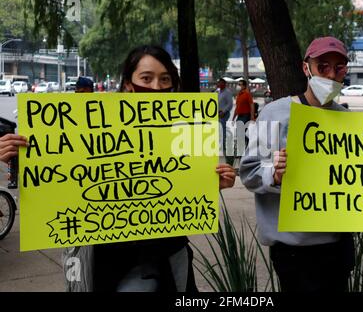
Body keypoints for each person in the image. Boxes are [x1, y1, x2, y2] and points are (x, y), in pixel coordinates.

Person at [0, 45, 236, 292]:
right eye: (146, 78)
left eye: (165, 79)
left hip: (169, 258)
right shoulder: (88, 126)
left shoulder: (187, 127)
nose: (156, 87)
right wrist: (15, 155)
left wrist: (213, 181)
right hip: (110, 263)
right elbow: (58, 181)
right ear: (128, 84)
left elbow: (186, 180)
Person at [239, 36, 363, 292]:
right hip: (294, 251)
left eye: (339, 67)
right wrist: (274, 176)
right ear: (306, 67)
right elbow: (249, 172)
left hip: (338, 248)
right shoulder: (275, 113)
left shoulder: (348, 120)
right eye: (323, 66)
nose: (331, 74)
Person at [216, 78, 234, 165]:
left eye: (220, 83)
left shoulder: (227, 92)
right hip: (218, 115)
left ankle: (228, 154)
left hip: (223, 115)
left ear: (224, 84)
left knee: (223, 133)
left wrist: (224, 111)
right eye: (218, 82)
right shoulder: (219, 92)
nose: (218, 84)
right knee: (220, 132)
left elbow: (230, 104)